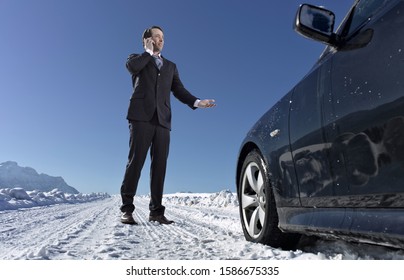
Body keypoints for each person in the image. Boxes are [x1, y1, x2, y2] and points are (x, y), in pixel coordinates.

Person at [120, 26, 216, 225]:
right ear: (147, 39)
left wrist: (197, 102)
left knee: (160, 167)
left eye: (162, 37)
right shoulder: (136, 58)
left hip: (163, 120)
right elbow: (132, 68)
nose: (161, 39)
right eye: (156, 36)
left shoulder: (171, 66)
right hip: (141, 117)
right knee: (135, 162)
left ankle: (156, 212)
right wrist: (147, 52)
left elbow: (179, 90)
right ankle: (127, 210)